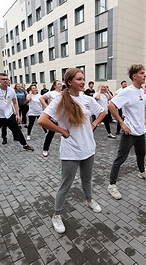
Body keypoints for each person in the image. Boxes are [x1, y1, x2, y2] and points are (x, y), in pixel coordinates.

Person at [38, 68, 106, 234]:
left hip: (89, 147)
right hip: (71, 150)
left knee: (87, 179)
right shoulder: (60, 99)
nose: (82, 82)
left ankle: (89, 200)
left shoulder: (87, 99)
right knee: (65, 184)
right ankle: (57, 214)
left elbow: (103, 111)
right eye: (79, 79)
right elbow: (42, 120)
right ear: (69, 82)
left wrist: (94, 124)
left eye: (83, 79)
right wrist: (62, 131)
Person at [107, 64, 146, 200]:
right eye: (142, 73)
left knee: (141, 154)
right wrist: (122, 124)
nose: (145, 75)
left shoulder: (140, 91)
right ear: (134, 76)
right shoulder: (127, 91)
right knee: (120, 159)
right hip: (129, 133)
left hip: (140, 131)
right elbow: (111, 105)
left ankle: (142, 172)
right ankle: (112, 185)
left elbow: (143, 107)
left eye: (144, 73)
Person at [0, 73, 34, 161]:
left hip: (9, 115)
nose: (5, 81)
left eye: (7, 79)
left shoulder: (11, 91)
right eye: (3, 79)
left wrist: (18, 115)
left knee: (17, 131)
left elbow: (15, 103)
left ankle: (25, 145)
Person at [39, 80, 63, 157]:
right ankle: (45, 149)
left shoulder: (64, 93)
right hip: (53, 117)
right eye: (58, 84)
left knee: (66, 132)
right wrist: (47, 107)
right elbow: (41, 98)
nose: (60, 85)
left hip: (62, 116)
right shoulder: (51, 93)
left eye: (61, 84)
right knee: (51, 133)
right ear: (55, 86)